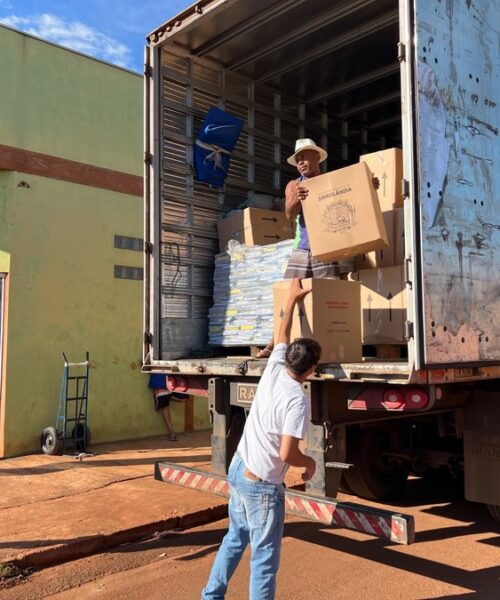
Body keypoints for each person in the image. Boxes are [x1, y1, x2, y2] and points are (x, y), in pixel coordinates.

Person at [202, 278, 320, 600]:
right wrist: (309, 463)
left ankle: (211, 596)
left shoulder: (274, 367)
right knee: (265, 561)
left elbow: (281, 333)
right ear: (311, 369)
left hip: (240, 468)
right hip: (262, 487)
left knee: (234, 539)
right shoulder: (297, 399)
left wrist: (292, 299)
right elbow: (287, 454)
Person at [149, 375, 177, 441]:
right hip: (160, 379)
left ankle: (159, 398)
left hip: (173, 378)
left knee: (184, 398)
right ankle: (172, 432)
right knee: (165, 405)